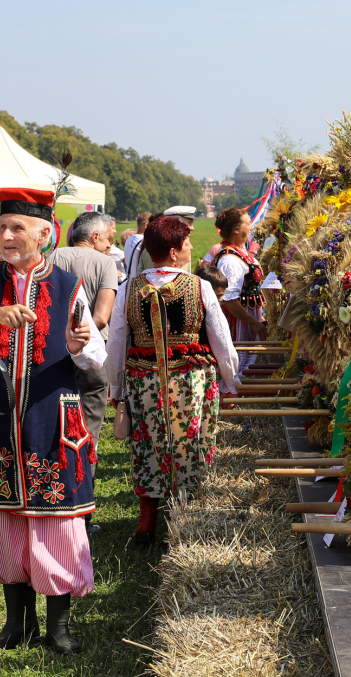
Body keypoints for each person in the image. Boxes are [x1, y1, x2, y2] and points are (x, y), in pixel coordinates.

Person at [0, 187, 105, 655]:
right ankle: (17, 623)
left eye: (17, 228)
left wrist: (80, 347)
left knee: (53, 523)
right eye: (1, 227)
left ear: (44, 234)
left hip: (51, 418)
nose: (5, 235)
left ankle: (58, 626)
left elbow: (97, 354)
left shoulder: (65, 285)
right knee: (2, 520)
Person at [106, 216, 238, 545]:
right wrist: (230, 381)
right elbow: (220, 339)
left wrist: (116, 388)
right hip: (191, 381)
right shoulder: (200, 287)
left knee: (147, 443)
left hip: (145, 381)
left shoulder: (129, 289)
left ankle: (147, 521)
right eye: (188, 243)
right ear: (175, 251)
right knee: (190, 443)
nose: (192, 247)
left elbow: (117, 342)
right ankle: (186, 518)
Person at [47, 211, 120, 534]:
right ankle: (81, 512)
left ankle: (52, 501)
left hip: (53, 356)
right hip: (90, 357)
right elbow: (102, 317)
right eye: (107, 239)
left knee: (54, 429)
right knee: (87, 433)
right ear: (94, 238)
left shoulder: (51, 257)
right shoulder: (104, 263)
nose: (109, 245)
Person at [214, 207, 267, 378]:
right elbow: (228, 299)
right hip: (239, 322)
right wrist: (254, 323)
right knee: (239, 363)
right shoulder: (230, 260)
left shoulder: (240, 251)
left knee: (247, 361)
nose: (252, 227)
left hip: (248, 316)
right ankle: (232, 395)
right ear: (236, 229)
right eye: (248, 223)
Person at [123, 211, 152, 277]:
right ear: (146, 225)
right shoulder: (145, 241)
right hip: (139, 281)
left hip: (129, 280)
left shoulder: (128, 240)